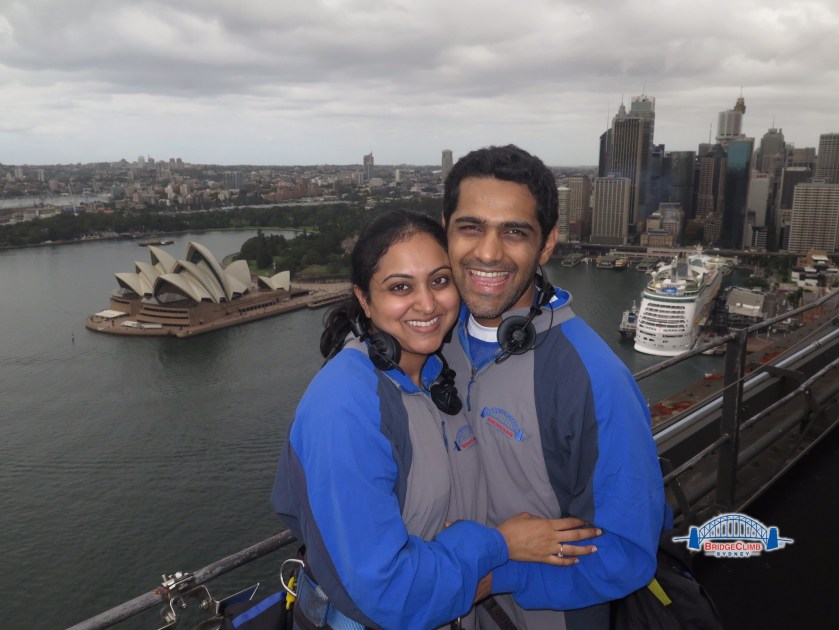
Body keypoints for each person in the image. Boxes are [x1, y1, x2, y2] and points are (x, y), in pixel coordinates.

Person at [271, 210, 601, 630]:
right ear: (364, 299)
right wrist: (500, 543)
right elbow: (388, 593)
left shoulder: (435, 372)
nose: (427, 304)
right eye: (400, 287)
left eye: (440, 281)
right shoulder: (344, 404)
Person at [441, 145, 666, 629]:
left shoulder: (595, 378)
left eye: (514, 232)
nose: (488, 252)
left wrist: (491, 575)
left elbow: (626, 553)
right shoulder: (430, 346)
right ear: (446, 230)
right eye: (471, 227)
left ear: (546, 245)